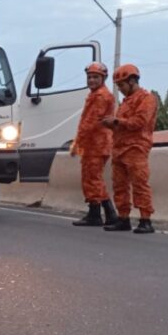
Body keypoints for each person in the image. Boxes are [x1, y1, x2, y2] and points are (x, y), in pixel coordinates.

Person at [101, 64, 157, 234]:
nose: (121, 90)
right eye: (118, 86)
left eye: (122, 85)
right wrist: (110, 124)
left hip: (136, 147)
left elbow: (139, 122)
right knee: (120, 185)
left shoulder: (147, 99)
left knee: (139, 184)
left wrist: (116, 122)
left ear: (132, 81)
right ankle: (123, 218)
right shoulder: (125, 103)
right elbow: (123, 126)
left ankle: (145, 220)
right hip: (119, 149)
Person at [70, 62, 118, 226]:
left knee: (93, 179)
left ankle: (103, 214)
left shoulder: (100, 96)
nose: (91, 80)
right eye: (89, 77)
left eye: (95, 77)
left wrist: (77, 142)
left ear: (103, 78)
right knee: (92, 178)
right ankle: (98, 213)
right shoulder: (97, 95)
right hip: (95, 143)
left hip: (96, 144)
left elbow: (90, 123)